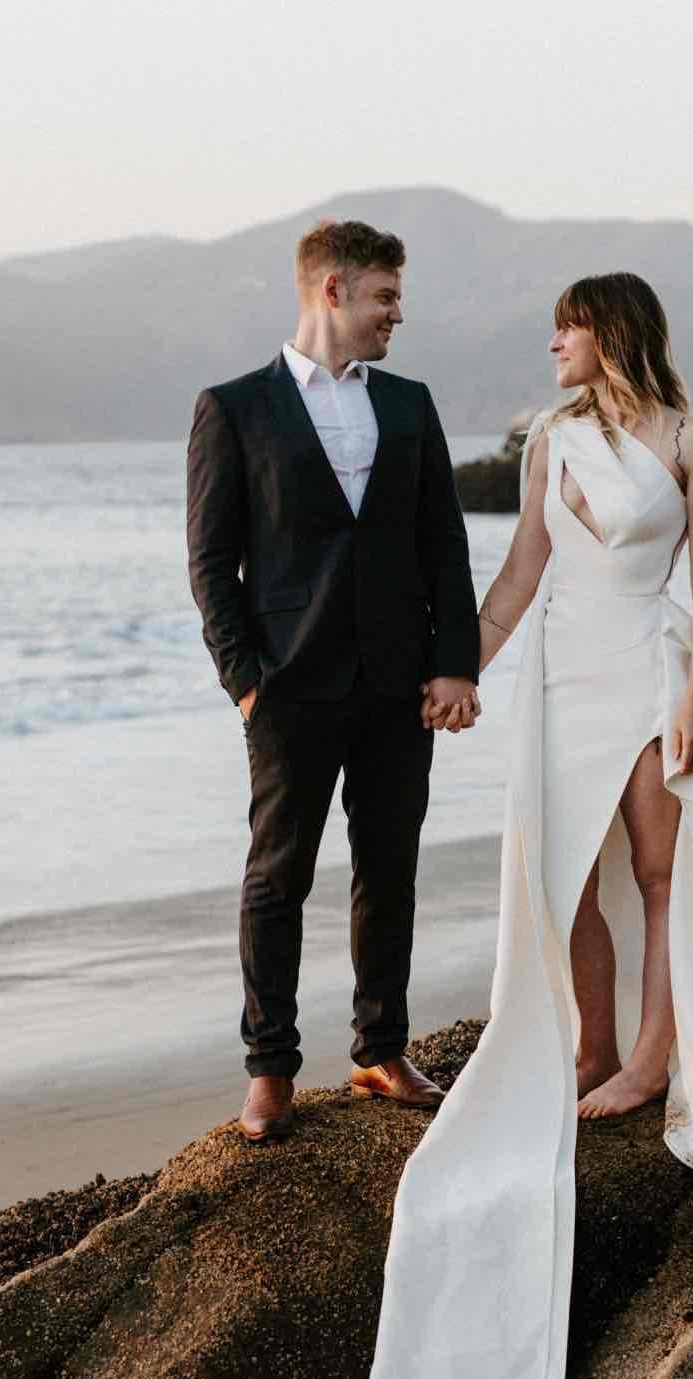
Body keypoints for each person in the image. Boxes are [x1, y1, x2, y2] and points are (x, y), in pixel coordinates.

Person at [344, 272, 693, 1379]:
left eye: (565, 325)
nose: (549, 344)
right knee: (563, 875)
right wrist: (458, 666)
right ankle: (588, 1046)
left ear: (613, 328)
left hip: (644, 670)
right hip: (554, 678)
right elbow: (523, 567)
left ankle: (652, 1059)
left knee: (651, 870)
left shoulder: (691, 442)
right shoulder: (549, 440)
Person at [186, 218, 481, 1144]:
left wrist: (454, 663)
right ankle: (269, 1069)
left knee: (388, 869)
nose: (397, 314)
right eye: (385, 297)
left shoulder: (409, 404)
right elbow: (211, 560)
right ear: (333, 291)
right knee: (279, 877)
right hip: (289, 687)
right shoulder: (232, 408)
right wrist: (245, 681)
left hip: (400, 685)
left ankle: (380, 1049)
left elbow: (444, 542)